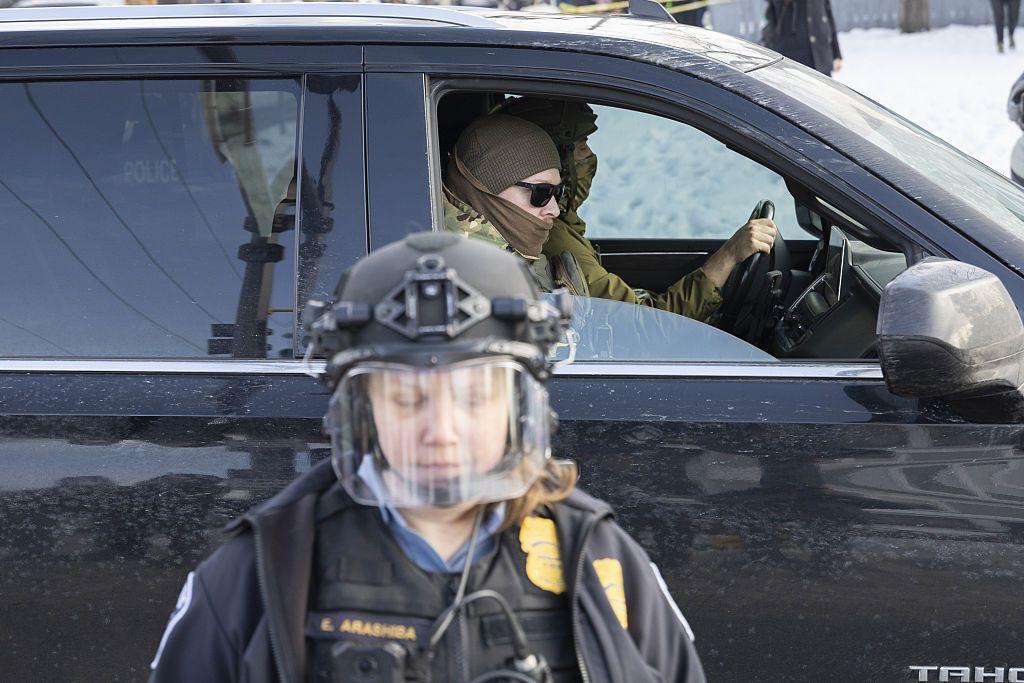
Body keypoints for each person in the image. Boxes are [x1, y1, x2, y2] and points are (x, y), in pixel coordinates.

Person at [146, 232, 706, 683]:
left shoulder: (599, 559)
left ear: (519, 407)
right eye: (406, 397)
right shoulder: (263, 571)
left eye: (474, 395)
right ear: (362, 412)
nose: (441, 431)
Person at [498, 97, 779, 324]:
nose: (590, 157)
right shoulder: (550, 236)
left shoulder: (557, 222)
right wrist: (728, 256)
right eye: (581, 147)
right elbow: (644, 326)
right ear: (556, 158)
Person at [443, 113, 590, 297]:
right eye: (541, 192)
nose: (554, 210)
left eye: (557, 192)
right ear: (484, 190)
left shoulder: (521, 258)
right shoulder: (466, 286)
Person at [762, 0, 843, 77]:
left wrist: (836, 54)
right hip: (793, 58)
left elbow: (827, 13)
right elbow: (773, 21)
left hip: (820, 56)